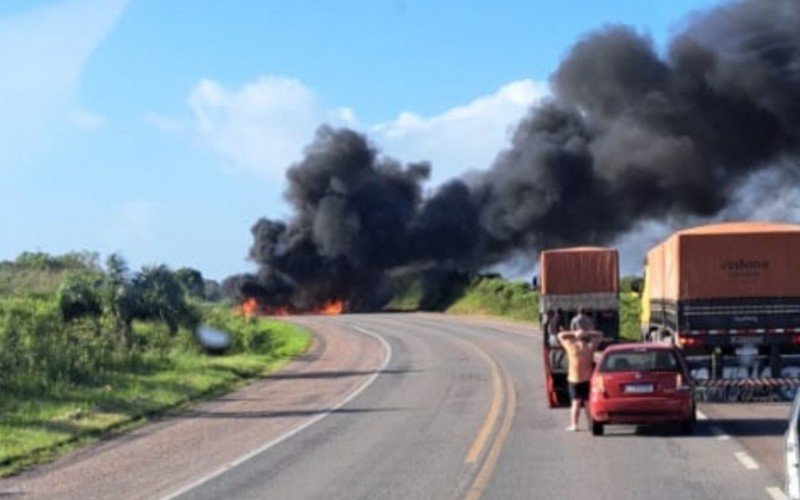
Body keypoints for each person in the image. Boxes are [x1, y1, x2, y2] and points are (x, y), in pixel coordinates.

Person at [558, 329, 602, 431]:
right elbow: (600, 335)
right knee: (587, 403)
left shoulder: (571, 347)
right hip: (587, 379)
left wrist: (574, 333)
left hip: (574, 379)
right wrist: (587, 332)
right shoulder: (589, 347)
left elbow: (560, 335)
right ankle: (590, 424)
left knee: (575, 403)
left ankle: (574, 425)